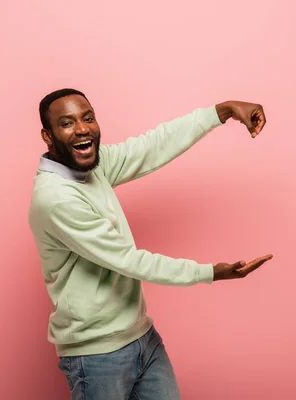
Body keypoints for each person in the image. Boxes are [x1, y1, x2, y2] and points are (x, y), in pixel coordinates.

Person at [28, 88, 273, 400]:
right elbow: (129, 261)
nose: (82, 128)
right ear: (47, 136)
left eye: (87, 118)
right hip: (97, 355)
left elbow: (151, 147)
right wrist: (210, 272)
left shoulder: (91, 167)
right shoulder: (55, 198)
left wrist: (222, 111)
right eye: (67, 123)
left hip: (142, 336)